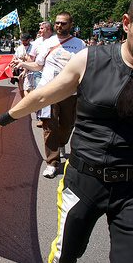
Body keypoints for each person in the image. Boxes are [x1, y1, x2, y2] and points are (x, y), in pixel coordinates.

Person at [0, 0, 133, 263]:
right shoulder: (90, 59)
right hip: (83, 183)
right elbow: (44, 94)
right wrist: (2, 119)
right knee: (64, 257)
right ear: (127, 24)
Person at [14, 13, 86, 178]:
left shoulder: (80, 44)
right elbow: (38, 66)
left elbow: (85, 68)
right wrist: (23, 64)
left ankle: (61, 143)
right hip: (48, 91)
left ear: (71, 24)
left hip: (70, 93)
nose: (59, 26)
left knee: (67, 125)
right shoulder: (48, 44)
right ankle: (52, 162)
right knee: (49, 126)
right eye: (57, 23)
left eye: (63, 23)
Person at [11, 33, 34, 97]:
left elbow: (33, 60)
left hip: (29, 71)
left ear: (29, 40)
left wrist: (25, 58)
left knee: (28, 88)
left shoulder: (33, 48)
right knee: (21, 88)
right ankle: (23, 100)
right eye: (22, 40)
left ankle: (28, 103)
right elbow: (15, 57)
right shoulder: (19, 48)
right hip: (20, 70)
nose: (23, 42)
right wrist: (13, 63)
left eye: (25, 40)